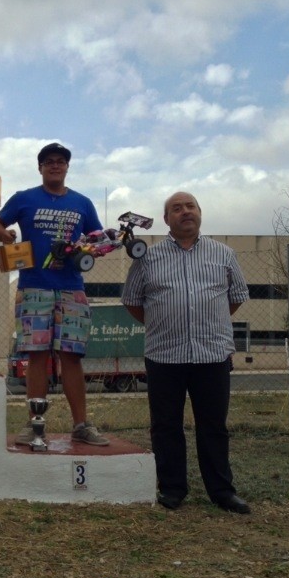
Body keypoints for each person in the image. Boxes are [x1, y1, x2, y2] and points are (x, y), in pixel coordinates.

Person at [122, 191, 251, 514]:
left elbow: (236, 296)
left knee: (214, 426)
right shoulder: (147, 258)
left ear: (200, 212)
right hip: (164, 355)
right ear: (167, 219)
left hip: (212, 355)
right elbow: (132, 300)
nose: (185, 212)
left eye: (190, 206)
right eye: (176, 209)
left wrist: (209, 321)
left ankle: (222, 492)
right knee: (166, 426)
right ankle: (172, 489)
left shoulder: (224, 254)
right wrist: (161, 323)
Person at [0, 143, 109, 446]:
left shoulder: (83, 203)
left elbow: (97, 239)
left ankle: (81, 425)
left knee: (71, 357)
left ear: (67, 167)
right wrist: (5, 235)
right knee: (37, 356)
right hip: (33, 286)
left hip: (72, 288)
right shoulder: (24, 198)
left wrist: (92, 249)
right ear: (40, 167)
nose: (55, 166)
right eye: (49, 162)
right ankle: (34, 424)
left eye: (60, 161)